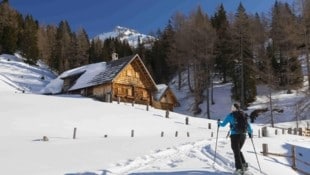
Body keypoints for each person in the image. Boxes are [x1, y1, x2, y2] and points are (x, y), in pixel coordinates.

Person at [218, 103, 253, 174]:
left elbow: (223, 124)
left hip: (235, 136)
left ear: (233, 108)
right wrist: (250, 132)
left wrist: (219, 123)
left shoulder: (230, 115)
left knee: (236, 152)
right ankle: (244, 165)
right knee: (238, 150)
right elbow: (248, 125)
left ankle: (239, 169)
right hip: (243, 135)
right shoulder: (243, 115)